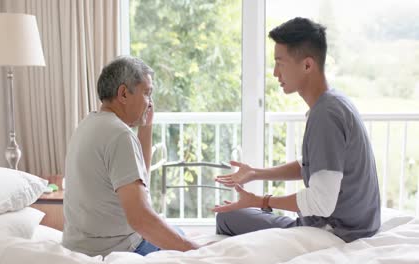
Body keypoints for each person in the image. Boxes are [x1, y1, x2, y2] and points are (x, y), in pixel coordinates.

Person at [213, 17, 381, 243]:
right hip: (356, 225)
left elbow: (321, 202)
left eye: (280, 63)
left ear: (307, 65)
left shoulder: (325, 115)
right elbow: (313, 165)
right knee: (241, 214)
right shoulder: (335, 102)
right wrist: (256, 172)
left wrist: (260, 201)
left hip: (335, 232)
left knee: (227, 218)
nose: (275, 73)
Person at [62, 56, 200, 256]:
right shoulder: (120, 135)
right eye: (147, 93)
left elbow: (138, 180)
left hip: (80, 246)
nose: (150, 103)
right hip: (115, 249)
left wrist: (146, 127)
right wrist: (198, 252)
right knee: (182, 240)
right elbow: (141, 220)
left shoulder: (89, 124)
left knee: (176, 232)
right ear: (124, 93)